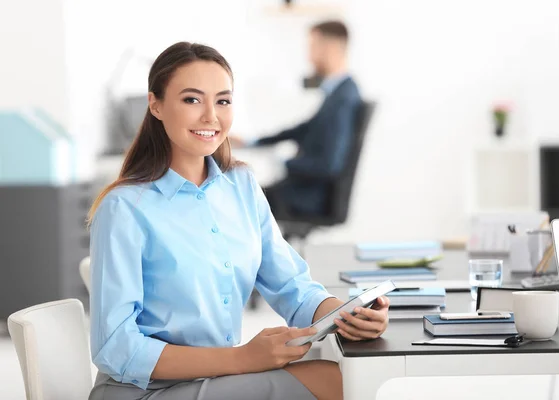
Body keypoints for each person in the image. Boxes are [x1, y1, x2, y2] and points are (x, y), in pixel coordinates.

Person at [86, 42, 389, 400]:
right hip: (144, 392)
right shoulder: (124, 208)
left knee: (346, 375)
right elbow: (116, 347)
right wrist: (243, 358)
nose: (211, 116)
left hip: (215, 380)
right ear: (156, 105)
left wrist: (344, 315)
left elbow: (292, 286)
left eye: (223, 101)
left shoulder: (242, 186)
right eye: (192, 100)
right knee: (335, 383)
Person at [230, 20, 362, 217]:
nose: (309, 57)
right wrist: (253, 142)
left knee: (233, 197)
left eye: (313, 47)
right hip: (301, 191)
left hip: (307, 197)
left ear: (331, 48)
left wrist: (281, 162)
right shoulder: (337, 93)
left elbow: (330, 164)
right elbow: (301, 130)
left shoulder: (344, 98)